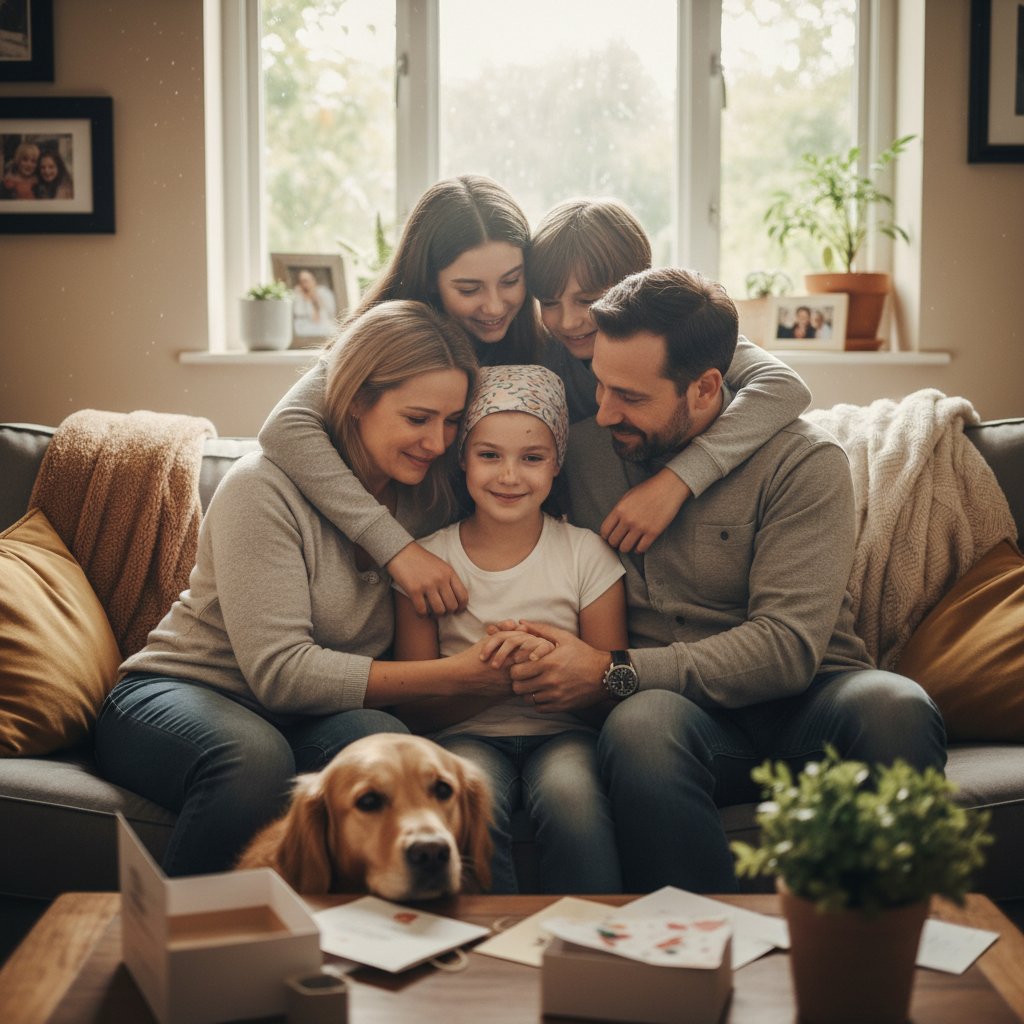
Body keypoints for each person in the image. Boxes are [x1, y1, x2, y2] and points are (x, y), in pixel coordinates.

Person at [503, 267, 947, 893]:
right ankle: (697, 953)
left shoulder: (804, 463)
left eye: (629, 397)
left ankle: (871, 953)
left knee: (896, 707)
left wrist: (610, 670)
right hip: (684, 715)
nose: (604, 413)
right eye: (600, 386)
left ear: (707, 388)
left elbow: (786, 649)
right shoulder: (583, 454)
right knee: (640, 725)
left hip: (809, 701)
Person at [94, 301, 531, 877]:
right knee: (253, 761)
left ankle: (382, 951)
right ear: (354, 403)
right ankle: (199, 951)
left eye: (452, 422)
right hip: (184, 691)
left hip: (310, 715)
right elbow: (281, 672)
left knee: (383, 740)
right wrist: (458, 674)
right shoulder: (260, 489)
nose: (438, 442)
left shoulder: (427, 498)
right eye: (419, 418)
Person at [258, 180, 805, 617]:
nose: (495, 306)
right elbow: (285, 427)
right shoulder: (398, 338)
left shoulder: (612, 336)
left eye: (513, 282)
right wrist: (396, 549)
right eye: (469, 289)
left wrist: (679, 480)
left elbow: (783, 386)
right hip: (444, 561)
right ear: (431, 283)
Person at [393, 364, 627, 894]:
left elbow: (610, 694)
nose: (509, 476)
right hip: (464, 736)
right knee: (469, 798)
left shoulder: (586, 554)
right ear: (463, 460)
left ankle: (593, 943)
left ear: (557, 463)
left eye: (532, 458)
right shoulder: (427, 561)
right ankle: (488, 947)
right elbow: (412, 706)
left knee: (573, 796)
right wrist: (487, 677)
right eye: (489, 455)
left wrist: (546, 673)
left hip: (565, 736)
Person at [528, 196, 813, 553]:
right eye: (549, 303)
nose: (568, 321)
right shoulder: (544, 357)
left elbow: (785, 387)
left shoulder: (674, 337)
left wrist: (677, 480)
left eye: (587, 301)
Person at [291, 268, 338, 338]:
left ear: (313, 280)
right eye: (302, 281)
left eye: (307, 280)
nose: (305, 284)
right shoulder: (297, 295)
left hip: (324, 324)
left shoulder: (323, 292)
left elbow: (331, 310)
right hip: (305, 326)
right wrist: (305, 298)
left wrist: (315, 297)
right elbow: (297, 313)